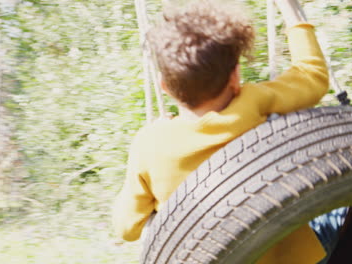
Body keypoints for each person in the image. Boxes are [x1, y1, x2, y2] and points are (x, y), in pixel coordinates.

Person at [113, 0, 329, 263]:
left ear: (164, 87)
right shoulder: (253, 103)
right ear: (235, 77)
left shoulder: (150, 145)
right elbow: (312, 76)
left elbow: (127, 228)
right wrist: (290, 11)